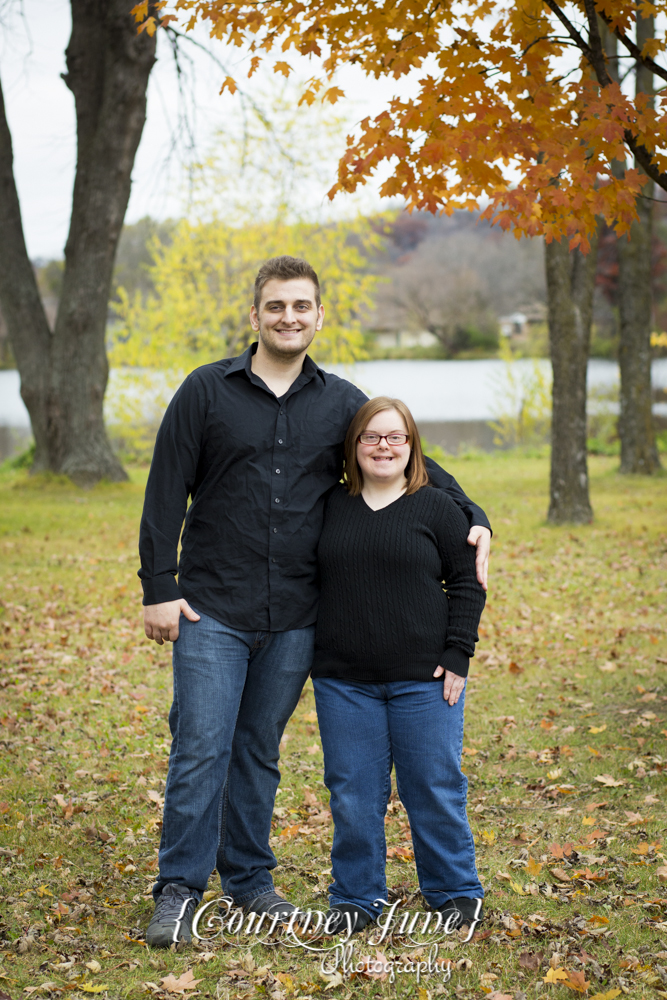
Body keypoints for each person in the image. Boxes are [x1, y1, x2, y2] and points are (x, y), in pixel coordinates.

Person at [138, 255, 492, 947]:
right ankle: (179, 889)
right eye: (276, 306)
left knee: (258, 748)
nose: (288, 317)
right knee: (202, 745)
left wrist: (473, 513)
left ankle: (246, 879)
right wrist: (159, 586)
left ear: (318, 316)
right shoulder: (206, 391)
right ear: (255, 315)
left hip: (299, 614)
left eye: (301, 306)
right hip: (211, 606)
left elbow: (413, 457)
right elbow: (163, 489)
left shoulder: (338, 401)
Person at [311, 396, 486, 936]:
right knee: (353, 792)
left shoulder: (435, 506)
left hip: (425, 678)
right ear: (353, 446)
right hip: (344, 681)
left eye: (395, 437)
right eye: (371, 437)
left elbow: (466, 583)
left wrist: (458, 653)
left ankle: (455, 892)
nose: (383, 447)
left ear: (412, 447)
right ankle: (357, 898)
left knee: (432, 785)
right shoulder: (329, 507)